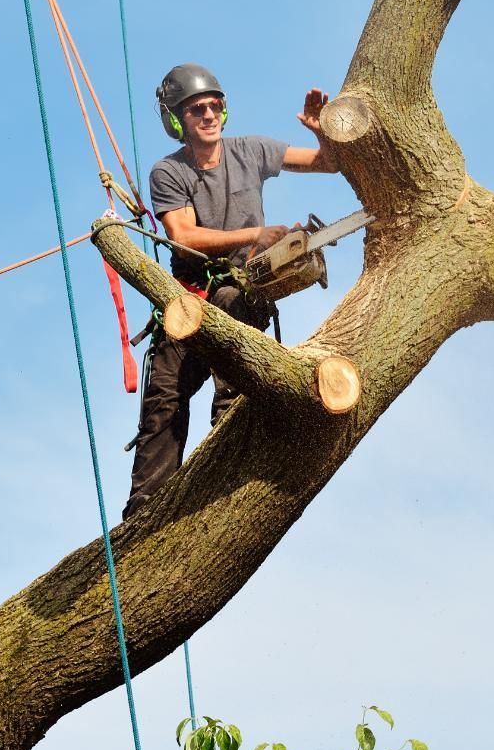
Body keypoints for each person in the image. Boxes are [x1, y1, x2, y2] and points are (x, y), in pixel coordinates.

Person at [124, 62, 339, 517]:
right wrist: (253, 235)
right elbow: (183, 236)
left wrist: (322, 133)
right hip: (187, 300)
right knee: (164, 398)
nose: (207, 114)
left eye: (214, 106)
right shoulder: (169, 172)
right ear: (176, 120)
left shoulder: (253, 150)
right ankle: (145, 510)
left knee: (234, 305)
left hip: (242, 295)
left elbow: (328, 163)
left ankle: (232, 448)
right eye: (196, 108)